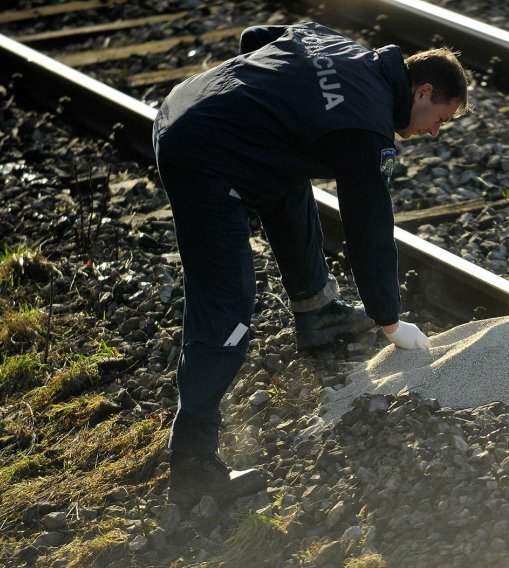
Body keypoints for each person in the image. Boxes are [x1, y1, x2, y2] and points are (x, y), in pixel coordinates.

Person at [152, 21, 471, 506]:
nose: (431, 132)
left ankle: (318, 313)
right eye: (439, 119)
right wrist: (390, 322)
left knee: (288, 173)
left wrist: (267, 99)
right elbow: (369, 230)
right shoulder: (365, 128)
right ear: (423, 91)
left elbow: (257, 38)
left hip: (188, 103)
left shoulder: (338, 42)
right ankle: (193, 469)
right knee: (227, 307)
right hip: (200, 154)